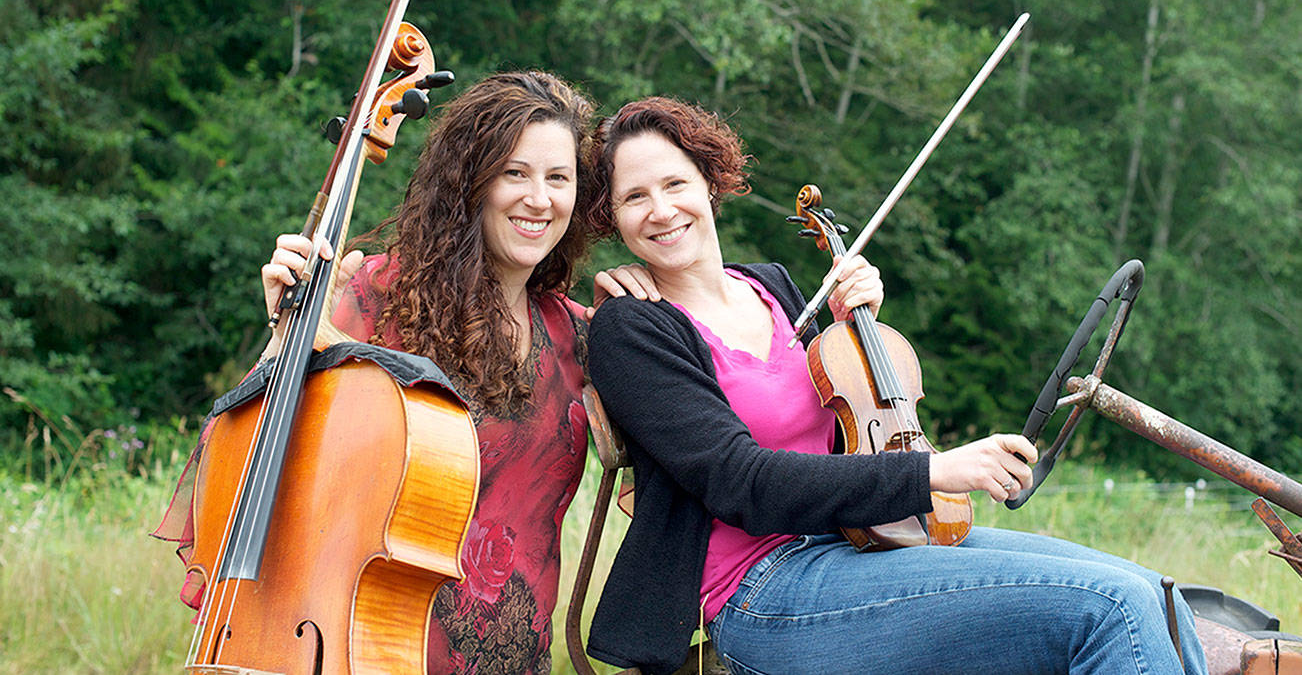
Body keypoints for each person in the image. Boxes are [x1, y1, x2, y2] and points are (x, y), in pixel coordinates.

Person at [581, 97, 1209, 675]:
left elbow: (847, 420)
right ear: (613, 216)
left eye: (674, 183)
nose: (661, 210)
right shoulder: (633, 328)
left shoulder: (772, 288)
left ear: (710, 184)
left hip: (866, 540)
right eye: (635, 197)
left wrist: (859, 329)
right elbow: (740, 482)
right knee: (1112, 606)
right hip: (763, 590)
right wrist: (934, 472)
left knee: (1163, 597)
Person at [155, 71, 638, 675]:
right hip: (363, 648)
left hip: (517, 658)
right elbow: (254, 458)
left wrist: (659, 301)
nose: (539, 198)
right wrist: (288, 340)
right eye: (515, 172)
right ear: (470, 181)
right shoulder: (379, 296)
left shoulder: (580, 335)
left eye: (558, 177)